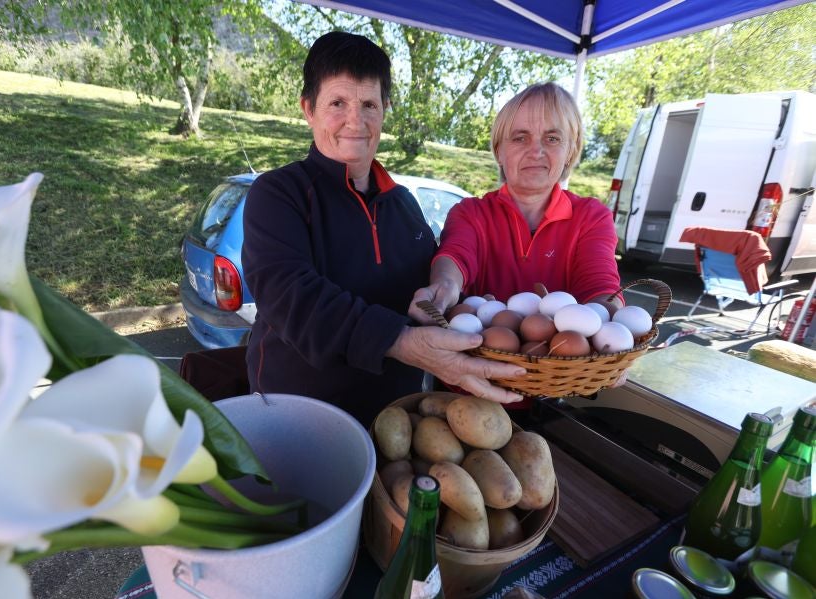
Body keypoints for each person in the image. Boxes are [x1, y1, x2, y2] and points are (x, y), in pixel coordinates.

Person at [241, 31, 525, 427]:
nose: (355, 121)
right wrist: (404, 342)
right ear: (309, 109)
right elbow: (292, 299)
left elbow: (425, 290)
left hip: (400, 420)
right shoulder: (278, 193)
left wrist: (463, 305)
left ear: (384, 110)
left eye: (369, 104)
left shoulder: (403, 203)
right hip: (299, 419)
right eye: (337, 103)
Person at [409, 83, 625, 395]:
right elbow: (455, 258)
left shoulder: (591, 217)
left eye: (552, 138)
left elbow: (602, 289)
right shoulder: (472, 213)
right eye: (520, 137)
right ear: (499, 150)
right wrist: (443, 287)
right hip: (472, 388)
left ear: (571, 150)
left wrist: (619, 332)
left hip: (561, 393)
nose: (536, 151)